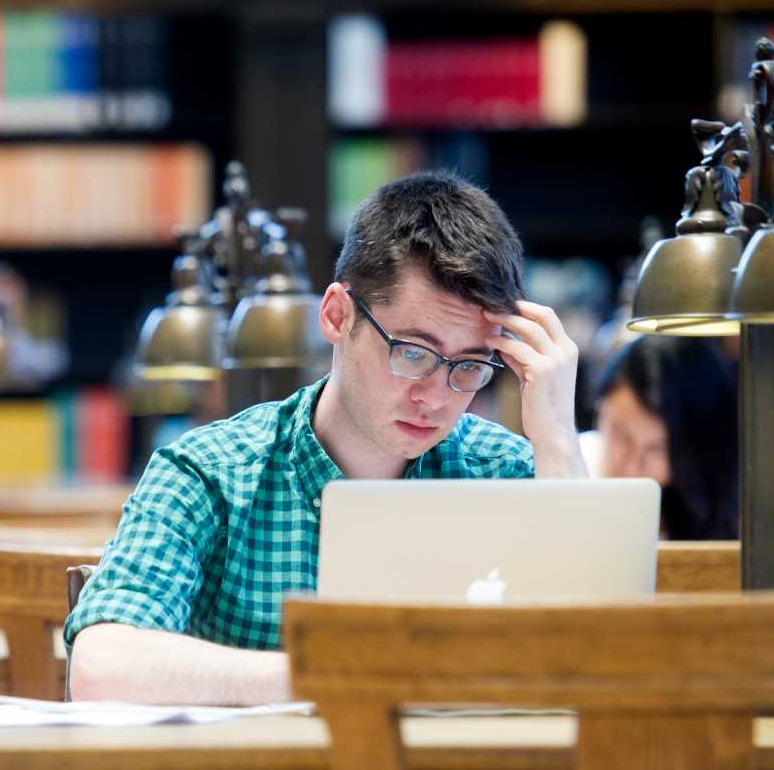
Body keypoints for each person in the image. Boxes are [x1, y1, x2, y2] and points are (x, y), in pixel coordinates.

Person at [65, 171, 587, 706]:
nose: (436, 396)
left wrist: (557, 439)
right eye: (412, 351)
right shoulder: (208, 473)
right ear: (338, 316)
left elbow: (603, 665)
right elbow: (102, 668)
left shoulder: (509, 473)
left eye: (471, 365)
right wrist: (345, 677)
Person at [579, 337, 739, 540]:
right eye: (621, 435)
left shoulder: (709, 500)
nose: (632, 467)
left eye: (657, 449)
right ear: (599, 408)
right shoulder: (561, 468)